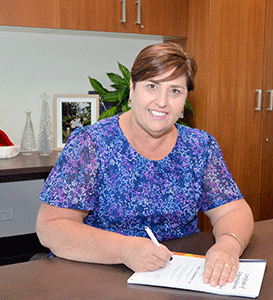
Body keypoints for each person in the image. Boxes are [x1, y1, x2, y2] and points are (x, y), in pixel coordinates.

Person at [36, 42, 254, 287]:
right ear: (132, 88)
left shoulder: (199, 146)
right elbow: (50, 228)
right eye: (152, 86)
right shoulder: (91, 144)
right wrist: (122, 249)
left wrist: (228, 245)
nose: (162, 102)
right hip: (100, 273)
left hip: (177, 275)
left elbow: (234, 210)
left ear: (185, 99)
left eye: (175, 91)